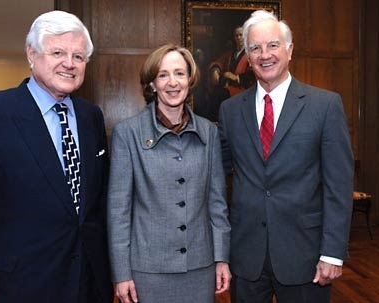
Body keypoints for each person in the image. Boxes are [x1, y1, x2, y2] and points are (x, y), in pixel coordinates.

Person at [0, 10, 113, 303]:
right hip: (18, 286)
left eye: (79, 56)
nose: (69, 63)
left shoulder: (91, 117)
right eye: (58, 52)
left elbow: (97, 205)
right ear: (31, 54)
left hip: (89, 283)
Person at [218, 10, 354, 303]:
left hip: (306, 256)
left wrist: (333, 252)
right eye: (255, 48)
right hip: (246, 257)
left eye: (273, 45)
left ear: (289, 51)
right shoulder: (230, 111)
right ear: (248, 57)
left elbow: (338, 186)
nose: (264, 54)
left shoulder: (325, 106)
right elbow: (214, 175)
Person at [107, 43, 231, 303]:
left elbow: (217, 203)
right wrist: (121, 273)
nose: (172, 83)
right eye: (163, 75)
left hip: (200, 268)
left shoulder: (209, 131)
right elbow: (118, 212)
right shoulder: (127, 134)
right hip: (147, 272)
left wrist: (222, 258)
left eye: (179, 73)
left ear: (190, 79)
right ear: (152, 83)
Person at [206, 25, 256, 121]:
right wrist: (215, 69)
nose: (238, 38)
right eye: (236, 36)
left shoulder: (252, 53)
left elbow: (254, 75)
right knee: (216, 95)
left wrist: (236, 77)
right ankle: (213, 123)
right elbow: (219, 62)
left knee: (220, 95)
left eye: (241, 35)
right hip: (229, 88)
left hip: (243, 90)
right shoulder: (232, 53)